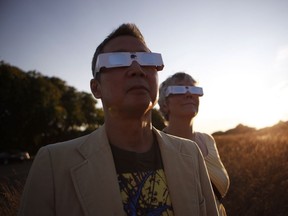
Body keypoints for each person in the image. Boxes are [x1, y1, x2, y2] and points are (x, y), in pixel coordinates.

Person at [18, 24, 219, 216]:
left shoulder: (191, 154)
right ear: (96, 87)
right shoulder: (54, 165)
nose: (137, 69)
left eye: (147, 60)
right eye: (118, 60)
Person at [158, 72, 230, 216]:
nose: (189, 94)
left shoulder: (208, 140)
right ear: (165, 105)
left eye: (194, 90)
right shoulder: (158, 145)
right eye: (179, 89)